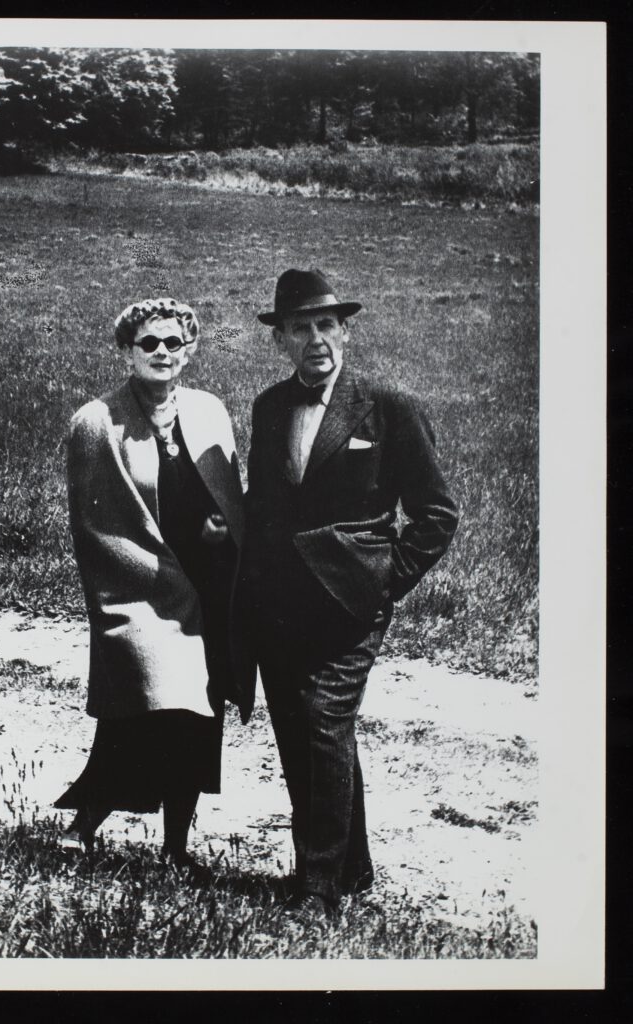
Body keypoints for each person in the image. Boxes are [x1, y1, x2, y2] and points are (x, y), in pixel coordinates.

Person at [242, 268, 458, 916]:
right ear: (278, 339)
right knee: (296, 730)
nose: (315, 339)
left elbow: (435, 513)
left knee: (321, 723)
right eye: (300, 328)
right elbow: (268, 505)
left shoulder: (387, 407)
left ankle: (317, 887)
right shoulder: (268, 409)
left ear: (346, 331)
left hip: (351, 601)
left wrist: (385, 581)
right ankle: (351, 868)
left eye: (326, 325)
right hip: (280, 601)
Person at [53, 297, 254, 878]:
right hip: (142, 594)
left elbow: (226, 496)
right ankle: (82, 825)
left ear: (189, 349)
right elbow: (95, 528)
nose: (162, 352)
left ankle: (175, 852)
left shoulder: (210, 410)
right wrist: (130, 595)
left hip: (210, 592)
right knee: (143, 711)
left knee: (198, 717)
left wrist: (221, 530)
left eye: (174, 342)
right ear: (127, 351)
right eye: (149, 343)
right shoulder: (96, 422)